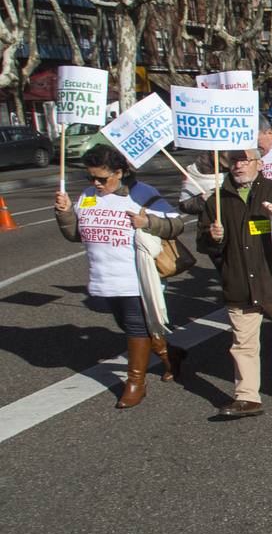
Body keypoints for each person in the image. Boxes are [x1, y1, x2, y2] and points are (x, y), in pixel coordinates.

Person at [53, 144, 187, 409]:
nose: (96, 183)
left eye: (102, 178)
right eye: (90, 177)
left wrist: (147, 222)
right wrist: (66, 212)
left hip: (136, 275)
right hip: (103, 276)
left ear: (120, 172)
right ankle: (170, 353)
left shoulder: (141, 193)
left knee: (137, 328)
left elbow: (176, 224)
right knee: (129, 326)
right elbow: (76, 234)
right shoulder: (88, 195)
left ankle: (135, 383)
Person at [197, 149, 272, 418]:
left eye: (245, 160)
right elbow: (204, 245)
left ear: (260, 163)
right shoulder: (217, 201)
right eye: (234, 161)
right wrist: (213, 237)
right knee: (242, 343)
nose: (239, 166)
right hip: (239, 283)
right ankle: (247, 397)